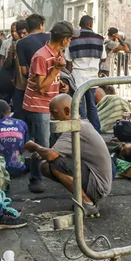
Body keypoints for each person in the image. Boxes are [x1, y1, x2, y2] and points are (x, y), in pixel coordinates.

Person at [24, 94, 112, 217]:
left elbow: (51, 155)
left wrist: (34, 146)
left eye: (54, 113)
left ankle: (87, 203)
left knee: (55, 164)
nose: (52, 117)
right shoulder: (80, 122)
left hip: (98, 185)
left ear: (66, 111)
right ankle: (83, 198)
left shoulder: (76, 127)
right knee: (46, 166)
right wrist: (41, 153)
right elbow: (55, 152)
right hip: (98, 180)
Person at [23, 21, 77, 193]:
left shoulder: (58, 53)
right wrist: (56, 70)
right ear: (63, 39)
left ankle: (53, 173)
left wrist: (61, 84)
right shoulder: (41, 56)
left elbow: (52, 80)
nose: (70, 42)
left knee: (56, 141)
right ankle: (35, 179)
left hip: (52, 104)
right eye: (69, 39)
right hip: (39, 105)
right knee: (42, 144)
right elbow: (41, 87)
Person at [67, 15, 105, 132]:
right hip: (93, 77)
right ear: (90, 24)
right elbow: (103, 57)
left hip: (78, 76)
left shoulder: (72, 39)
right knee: (92, 105)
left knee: (80, 105)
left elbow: (68, 60)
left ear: (80, 25)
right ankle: (96, 131)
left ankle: (83, 131)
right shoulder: (99, 39)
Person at [15, 14, 51, 117]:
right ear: (41, 26)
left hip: (34, 88)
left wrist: (33, 79)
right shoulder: (51, 38)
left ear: (28, 28)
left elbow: (24, 71)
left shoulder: (21, 43)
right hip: (54, 85)